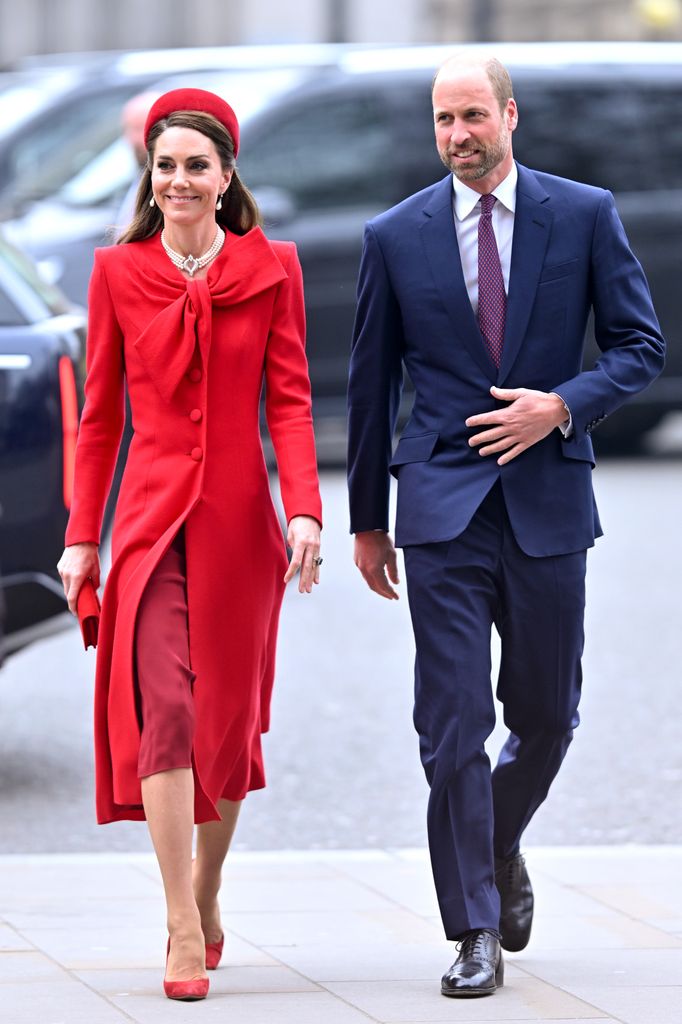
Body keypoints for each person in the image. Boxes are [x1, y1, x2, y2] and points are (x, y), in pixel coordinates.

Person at [347, 53, 664, 998]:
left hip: (548, 501)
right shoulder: (395, 235)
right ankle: (474, 927)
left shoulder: (584, 214)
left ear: (510, 116)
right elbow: (371, 388)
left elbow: (640, 347)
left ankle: (495, 842)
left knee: (546, 719)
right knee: (451, 727)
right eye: (444, 121)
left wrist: (558, 405)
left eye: (473, 116)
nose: (458, 137)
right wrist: (368, 519)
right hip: (440, 506)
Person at [57, 88, 322, 1002]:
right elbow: (97, 420)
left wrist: (306, 511)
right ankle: (177, 918)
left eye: (194, 165)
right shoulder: (117, 272)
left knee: (226, 723)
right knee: (161, 710)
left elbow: (289, 401)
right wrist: (80, 539)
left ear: (226, 175)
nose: (176, 179)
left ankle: (210, 887)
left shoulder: (274, 268)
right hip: (145, 523)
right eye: (163, 165)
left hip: (242, 529)